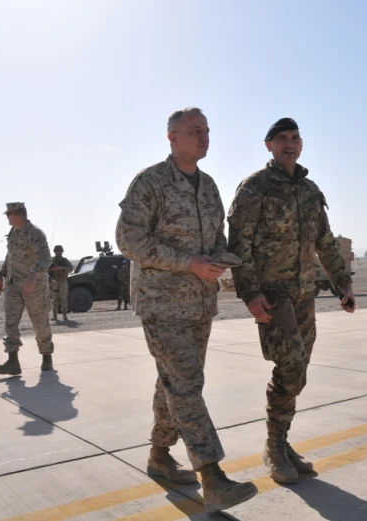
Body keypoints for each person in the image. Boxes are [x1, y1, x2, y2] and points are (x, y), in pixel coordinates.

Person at [115, 107, 257, 514]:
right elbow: (128, 239)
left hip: (199, 303)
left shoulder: (209, 187)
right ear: (172, 137)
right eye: (195, 131)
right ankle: (212, 476)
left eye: (208, 131)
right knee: (187, 382)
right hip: (161, 304)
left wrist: (218, 262)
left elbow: (216, 238)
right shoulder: (151, 182)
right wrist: (188, 263)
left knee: (174, 384)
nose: (204, 136)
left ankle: (160, 455)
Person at [227, 117, 355, 485]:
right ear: (268, 145)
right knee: (290, 366)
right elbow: (240, 247)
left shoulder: (310, 191)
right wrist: (250, 295)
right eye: (282, 138)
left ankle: (280, 442)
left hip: (303, 294)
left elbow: (325, 243)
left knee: (297, 374)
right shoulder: (255, 188)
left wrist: (343, 283)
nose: (290, 144)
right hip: (273, 296)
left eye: (296, 138)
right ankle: (275, 445)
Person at [0, 202, 55, 375]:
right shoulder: (14, 233)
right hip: (13, 285)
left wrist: (33, 274)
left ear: (18, 215)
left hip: (33, 287)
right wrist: (1, 272)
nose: (7, 217)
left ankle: (46, 357)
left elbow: (45, 258)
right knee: (10, 322)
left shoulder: (35, 234)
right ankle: (13, 362)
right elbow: (10, 256)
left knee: (40, 322)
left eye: (9, 214)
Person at [48, 245, 73, 321]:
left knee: (63, 299)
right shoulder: (51, 261)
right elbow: (46, 270)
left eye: (60, 251)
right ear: (55, 252)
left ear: (62, 252)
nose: (59, 252)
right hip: (54, 281)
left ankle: (65, 315)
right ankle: (54, 316)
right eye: (57, 251)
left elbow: (70, 269)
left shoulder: (65, 261)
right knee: (54, 300)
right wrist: (51, 269)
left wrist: (61, 268)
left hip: (63, 281)